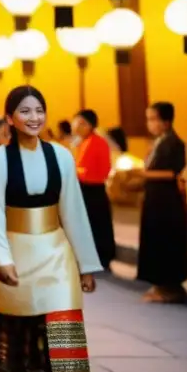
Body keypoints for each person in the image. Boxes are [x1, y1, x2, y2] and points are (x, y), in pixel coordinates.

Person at [0, 86, 100, 372]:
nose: (34, 117)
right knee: (10, 318)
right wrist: (2, 259)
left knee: (62, 322)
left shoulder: (62, 156)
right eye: (25, 111)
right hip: (15, 247)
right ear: (10, 118)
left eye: (39, 110)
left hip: (55, 250)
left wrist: (86, 263)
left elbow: (74, 212)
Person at [136, 101, 187, 304]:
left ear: (166, 121)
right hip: (155, 200)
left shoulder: (174, 142)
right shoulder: (159, 141)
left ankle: (170, 287)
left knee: (166, 242)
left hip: (167, 203)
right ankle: (159, 285)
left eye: (153, 119)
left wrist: (143, 173)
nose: (150, 124)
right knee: (155, 241)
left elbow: (172, 172)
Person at [72, 110, 115, 270]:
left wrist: (75, 172)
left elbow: (103, 169)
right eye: (76, 122)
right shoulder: (82, 142)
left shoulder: (98, 142)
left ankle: (102, 258)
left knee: (97, 225)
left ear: (90, 125)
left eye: (81, 123)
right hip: (83, 189)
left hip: (94, 190)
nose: (76, 126)